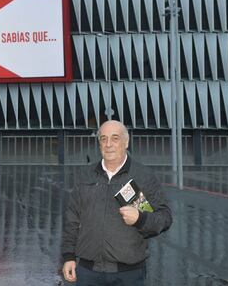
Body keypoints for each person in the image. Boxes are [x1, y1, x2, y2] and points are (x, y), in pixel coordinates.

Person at [61, 120, 172, 286]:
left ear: (126, 142)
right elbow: (72, 219)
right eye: (103, 139)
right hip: (88, 272)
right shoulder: (85, 175)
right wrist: (69, 256)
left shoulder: (143, 175)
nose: (108, 144)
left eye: (115, 138)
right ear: (99, 144)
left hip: (129, 274)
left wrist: (140, 219)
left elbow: (164, 218)